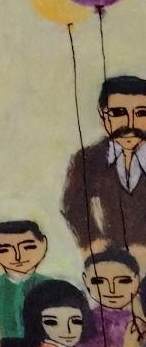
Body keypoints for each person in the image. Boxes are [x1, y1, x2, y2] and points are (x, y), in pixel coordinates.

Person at [62, 76, 146, 265]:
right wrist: (91, 243)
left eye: (141, 113)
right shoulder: (87, 159)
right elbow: (72, 205)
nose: (130, 124)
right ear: (102, 115)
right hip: (106, 262)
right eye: (118, 113)